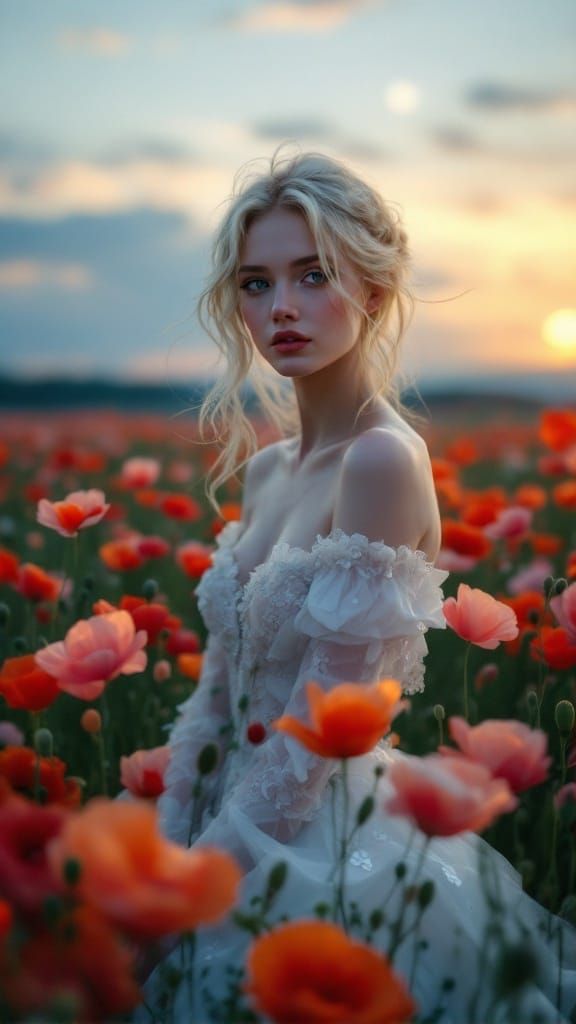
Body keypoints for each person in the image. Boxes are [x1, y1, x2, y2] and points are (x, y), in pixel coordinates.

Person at [146, 151, 575, 1023]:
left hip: (318, 842)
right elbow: (218, 690)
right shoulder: (267, 471)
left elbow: (329, 728)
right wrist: (161, 837)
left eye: (314, 275)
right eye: (256, 284)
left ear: (373, 291)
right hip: (220, 813)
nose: (283, 309)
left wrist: (202, 885)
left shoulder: (381, 460)